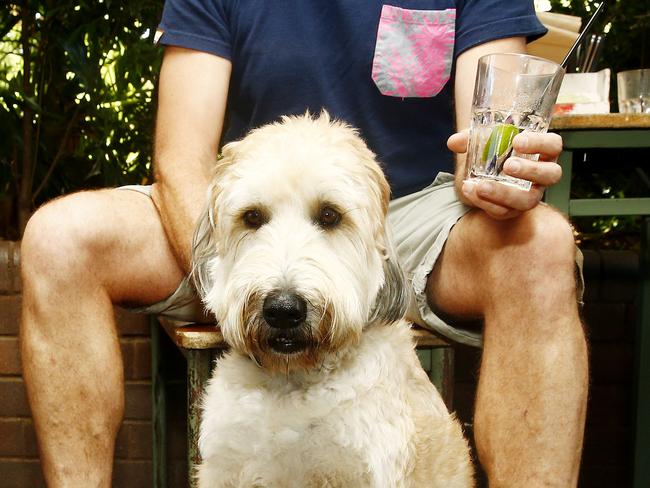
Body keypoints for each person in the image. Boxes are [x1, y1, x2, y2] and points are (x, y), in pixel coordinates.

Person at [20, 0, 588, 486]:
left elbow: (482, 146)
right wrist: (239, 278)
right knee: (60, 238)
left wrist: (502, 168)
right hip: (247, 204)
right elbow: (182, 158)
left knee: (539, 247)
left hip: (408, 216)